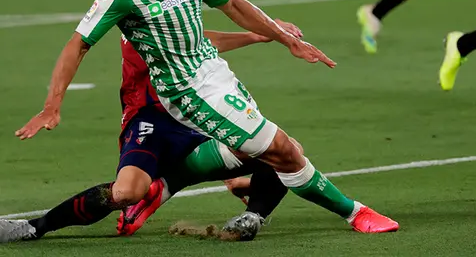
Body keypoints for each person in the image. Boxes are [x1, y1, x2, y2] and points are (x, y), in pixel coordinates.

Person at [12, 0, 398, 238]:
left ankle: (165, 188)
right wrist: (52, 104)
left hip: (217, 77)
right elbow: (76, 44)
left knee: (278, 150)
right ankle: (355, 212)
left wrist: (283, 38)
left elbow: (232, 4)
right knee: (283, 150)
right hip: (184, 94)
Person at [0, 27, 300, 243]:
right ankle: (34, 227)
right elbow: (190, 44)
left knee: (280, 150)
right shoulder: (134, 7)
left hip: (195, 112)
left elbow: (198, 41)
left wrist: (256, 35)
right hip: (151, 118)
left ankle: (252, 217)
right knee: (126, 192)